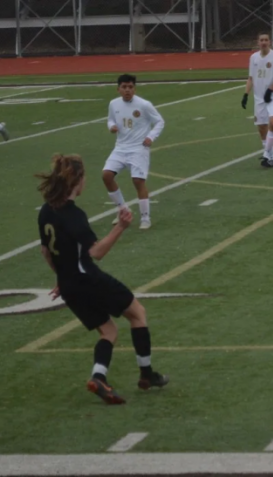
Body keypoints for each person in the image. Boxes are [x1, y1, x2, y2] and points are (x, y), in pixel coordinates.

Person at [37, 154, 168, 405]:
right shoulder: (73, 215)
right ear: (76, 181)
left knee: (108, 330)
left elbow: (46, 251)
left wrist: (61, 277)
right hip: (88, 280)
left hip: (69, 286)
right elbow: (96, 252)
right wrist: (120, 227)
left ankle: (98, 377)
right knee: (137, 313)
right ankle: (146, 374)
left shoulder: (45, 211)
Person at [104, 74, 164, 230]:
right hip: (120, 147)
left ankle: (145, 217)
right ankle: (123, 210)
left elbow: (159, 121)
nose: (127, 90)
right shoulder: (113, 104)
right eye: (124, 87)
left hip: (138, 148)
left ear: (134, 88)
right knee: (106, 175)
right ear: (118, 89)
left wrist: (151, 136)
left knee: (138, 181)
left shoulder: (144, 105)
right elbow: (110, 119)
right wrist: (111, 127)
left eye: (130, 87)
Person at [241, 32, 273, 168]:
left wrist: (270, 90)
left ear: (270, 42)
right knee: (262, 127)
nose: (264, 42)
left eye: (266, 40)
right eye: (261, 40)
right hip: (259, 98)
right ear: (258, 42)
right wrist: (245, 94)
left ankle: (266, 154)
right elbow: (251, 78)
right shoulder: (253, 58)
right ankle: (271, 157)